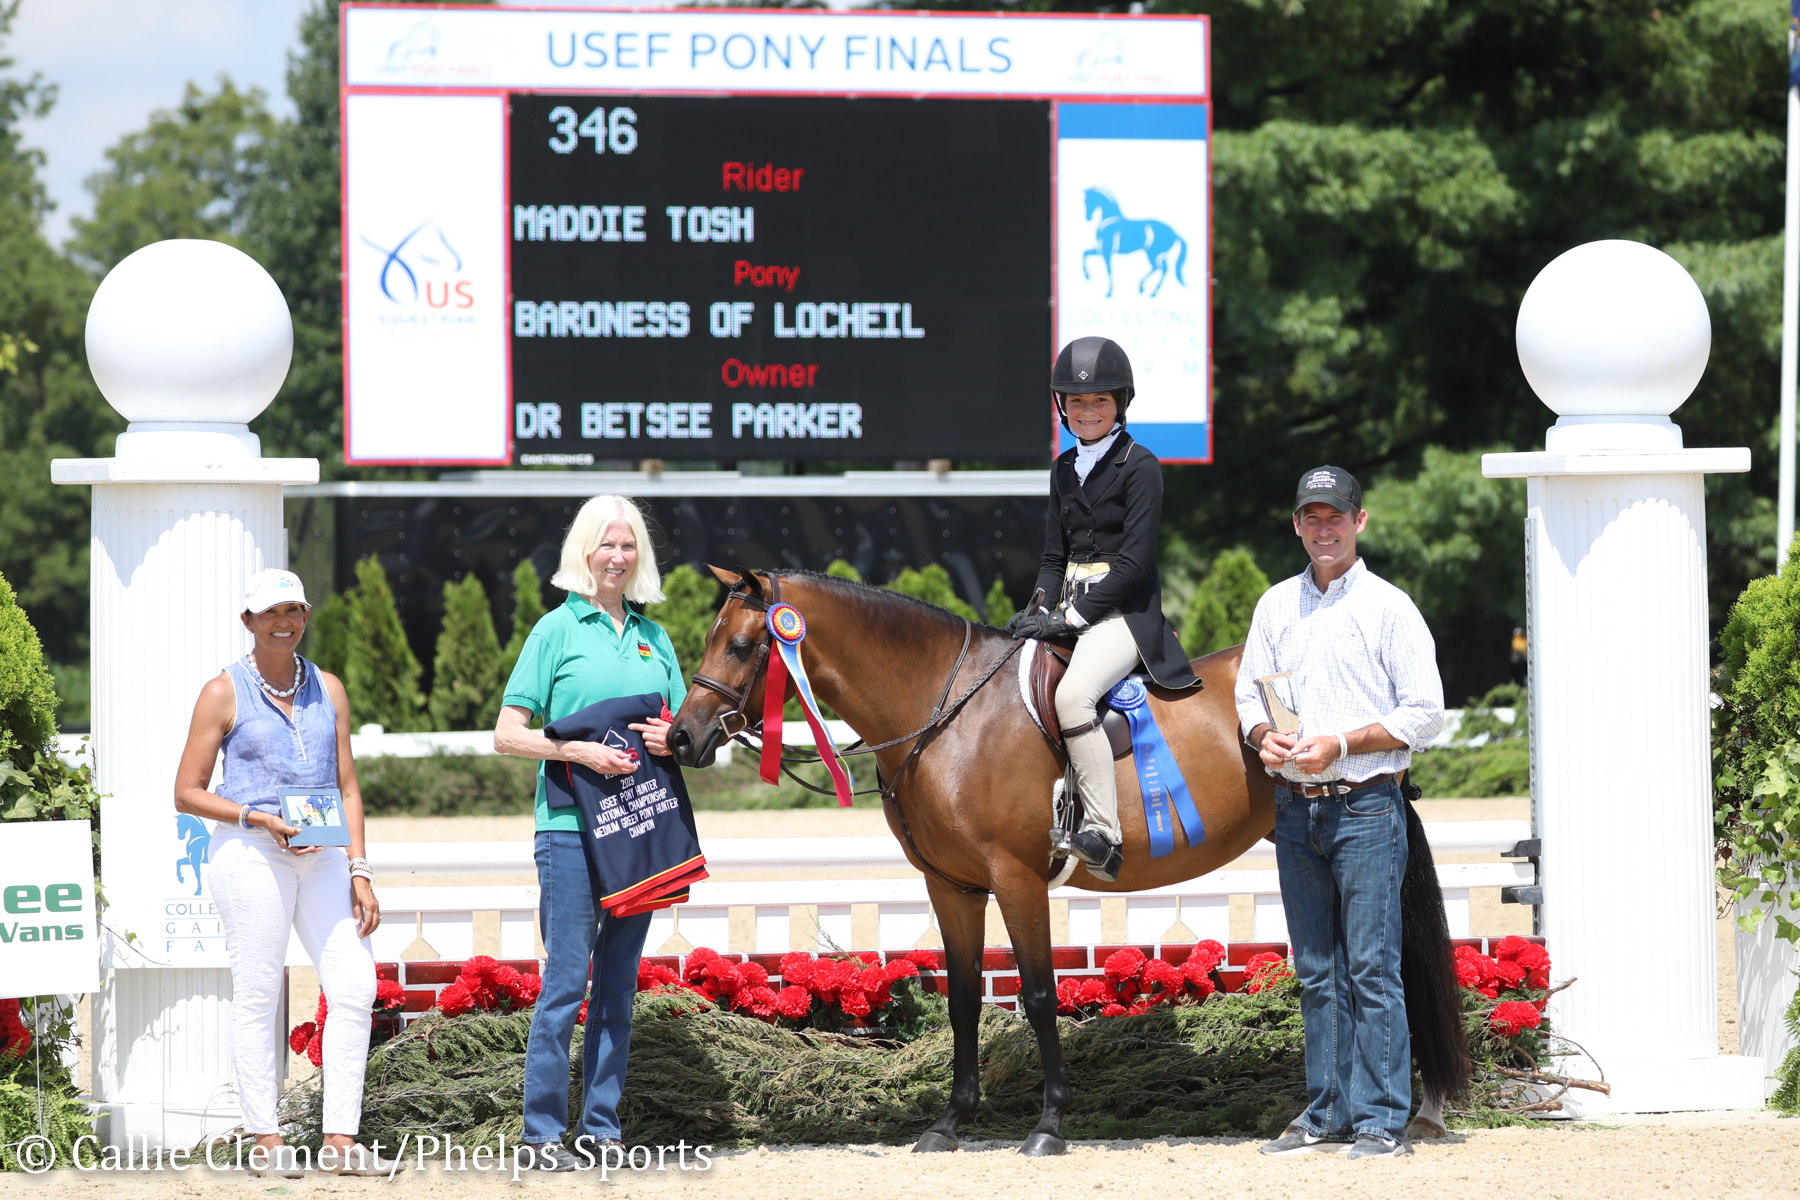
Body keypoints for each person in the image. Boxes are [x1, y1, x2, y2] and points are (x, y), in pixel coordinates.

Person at [1235, 466, 1445, 1160]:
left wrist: (1344, 742)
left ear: (1360, 521)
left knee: (1374, 969)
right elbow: (1249, 701)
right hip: (1295, 810)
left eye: (1336, 516)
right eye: (1310, 517)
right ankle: (1326, 1114)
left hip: (1365, 806)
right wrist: (1267, 739)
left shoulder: (1390, 607)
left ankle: (1383, 1119)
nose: (1323, 528)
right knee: (1317, 969)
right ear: (1296, 525)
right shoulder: (1273, 608)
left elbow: (1424, 712)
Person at [493, 494, 687, 1169]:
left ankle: (601, 1130)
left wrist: (672, 738)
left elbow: (684, 735)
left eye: (629, 545)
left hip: (636, 831)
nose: (618, 556)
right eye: (607, 545)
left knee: (618, 988)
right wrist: (576, 752)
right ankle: (541, 1137)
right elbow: (507, 735)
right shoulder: (554, 630)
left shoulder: (653, 636)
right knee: (566, 984)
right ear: (584, 552)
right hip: (571, 830)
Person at [173, 569, 387, 1177]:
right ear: (248, 621)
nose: (283, 622)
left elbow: (347, 786)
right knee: (260, 993)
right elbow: (186, 792)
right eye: (270, 613)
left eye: (293, 610)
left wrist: (360, 869)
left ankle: (340, 1141)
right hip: (249, 853)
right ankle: (266, 1141)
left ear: (306, 615)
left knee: (353, 985)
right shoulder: (223, 690)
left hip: (323, 855)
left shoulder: (329, 687)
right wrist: (255, 817)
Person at [1005, 336, 1200, 881]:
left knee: (1072, 697)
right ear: (1061, 406)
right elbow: (1052, 555)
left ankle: (1103, 833)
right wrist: (1037, 609)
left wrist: (1070, 618)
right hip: (1067, 607)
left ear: (1120, 404)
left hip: (1121, 615)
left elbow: (1135, 563)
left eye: (1100, 401)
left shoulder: (1142, 467)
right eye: (1077, 401)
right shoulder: (1063, 468)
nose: (1087, 411)